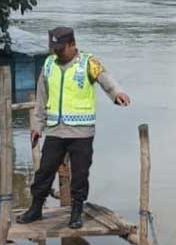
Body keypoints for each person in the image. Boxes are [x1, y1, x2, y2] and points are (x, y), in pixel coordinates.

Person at [17, 27, 130, 227]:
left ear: (72, 44)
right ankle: (36, 208)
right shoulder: (49, 64)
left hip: (81, 131)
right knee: (44, 171)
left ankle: (76, 211)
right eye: (54, 48)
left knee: (80, 173)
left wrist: (117, 93)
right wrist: (37, 126)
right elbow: (41, 97)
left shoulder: (88, 62)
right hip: (55, 129)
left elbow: (106, 80)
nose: (57, 52)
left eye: (61, 48)